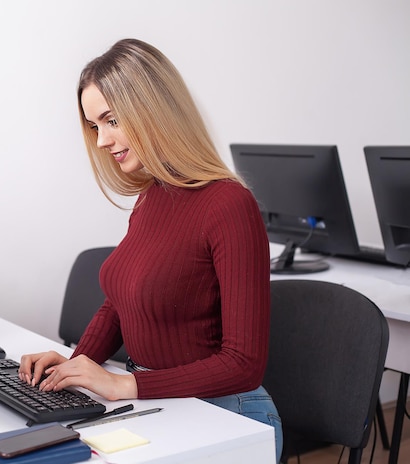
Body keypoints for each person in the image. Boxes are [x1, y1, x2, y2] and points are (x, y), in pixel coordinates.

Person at [18, 38, 282, 462]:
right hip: (163, 405)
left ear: (153, 110)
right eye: (94, 126)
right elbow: (121, 302)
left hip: (226, 412)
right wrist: (77, 362)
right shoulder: (151, 197)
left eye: (112, 120)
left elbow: (244, 364)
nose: (102, 140)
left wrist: (125, 386)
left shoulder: (229, 204)